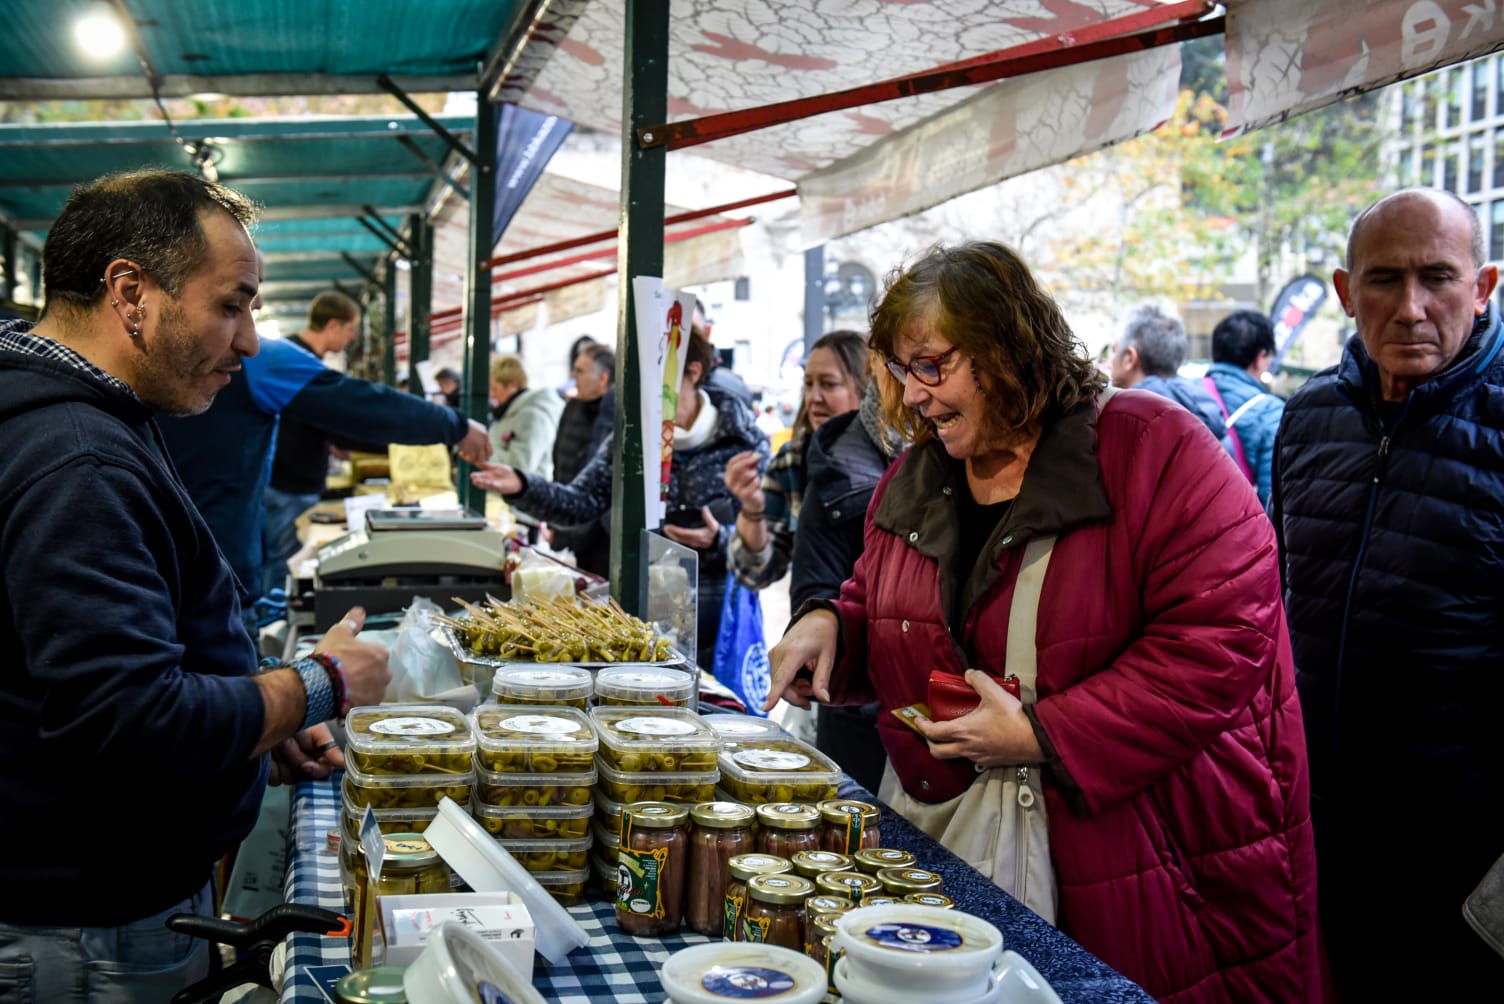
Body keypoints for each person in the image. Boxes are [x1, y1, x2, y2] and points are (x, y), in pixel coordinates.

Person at [765, 241, 1321, 1002]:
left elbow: (1225, 639)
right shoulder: (920, 471)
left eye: (933, 365)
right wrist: (833, 623)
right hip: (965, 848)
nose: (915, 395)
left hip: (1155, 866)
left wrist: (1046, 732)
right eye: (901, 371)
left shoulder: (1155, 449)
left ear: (1007, 346)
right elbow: (884, 597)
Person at [0, 170, 389, 1001]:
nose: (249, 342)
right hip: (84, 935)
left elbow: (97, 680)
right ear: (130, 292)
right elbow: (131, 724)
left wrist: (251, 733)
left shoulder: (80, 421)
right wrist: (316, 685)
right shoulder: (79, 460)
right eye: (232, 304)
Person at [1271, 187, 1504, 995]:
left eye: (1438, 277)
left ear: (1484, 287)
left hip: (1466, 861)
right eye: (1383, 280)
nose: (1410, 308)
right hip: (1320, 833)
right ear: (1344, 291)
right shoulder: (1304, 422)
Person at [471, 331, 768, 670]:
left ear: (694, 372)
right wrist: (523, 485)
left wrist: (720, 541)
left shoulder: (744, 441)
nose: (642, 388)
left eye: (655, 372)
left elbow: (768, 548)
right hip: (643, 620)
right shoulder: (631, 436)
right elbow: (580, 503)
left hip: (721, 624)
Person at [159, 331, 491, 609]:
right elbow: (363, 406)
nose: (249, 323)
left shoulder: (152, 362)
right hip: (216, 579)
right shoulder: (257, 357)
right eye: (236, 303)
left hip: (166, 574)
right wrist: (455, 425)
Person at [790, 376, 905, 792]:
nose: (815, 396)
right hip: (859, 720)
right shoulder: (834, 467)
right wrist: (823, 619)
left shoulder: (942, 460)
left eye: (829, 383)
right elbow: (813, 589)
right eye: (808, 383)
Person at [1107, 302, 1228, 441]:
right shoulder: (1205, 409)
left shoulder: (1126, 419)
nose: (1109, 362)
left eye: (1113, 350)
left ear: (1130, 358)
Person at [1205, 309, 1284, 506]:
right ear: (1261, 357)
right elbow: (1271, 499)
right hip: (1234, 529)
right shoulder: (1270, 411)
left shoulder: (1185, 393)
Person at [548, 344, 615, 577]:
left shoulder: (618, 416)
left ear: (603, 378)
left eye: (580, 371)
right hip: (565, 526)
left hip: (599, 540)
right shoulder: (572, 408)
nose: (573, 377)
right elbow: (558, 463)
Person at [487, 354, 564, 477]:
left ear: (513, 385)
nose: (491, 395)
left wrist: (484, 452)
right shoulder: (505, 413)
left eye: (495, 389)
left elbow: (521, 467)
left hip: (524, 495)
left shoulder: (532, 417)